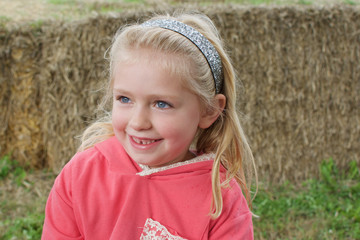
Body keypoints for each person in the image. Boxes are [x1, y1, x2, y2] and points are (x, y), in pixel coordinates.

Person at [42, 11, 257, 240]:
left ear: (209, 110)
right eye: (124, 99)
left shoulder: (221, 198)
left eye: (161, 104)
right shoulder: (81, 174)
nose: (138, 122)